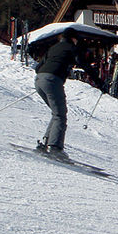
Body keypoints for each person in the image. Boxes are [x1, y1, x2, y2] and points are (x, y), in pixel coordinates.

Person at [34, 27, 79, 156]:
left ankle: (46, 142)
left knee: (56, 113)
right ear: (73, 38)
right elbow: (82, 62)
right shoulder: (71, 48)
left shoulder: (53, 48)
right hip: (52, 81)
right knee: (60, 114)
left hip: (39, 80)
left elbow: (38, 68)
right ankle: (55, 148)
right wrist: (98, 81)